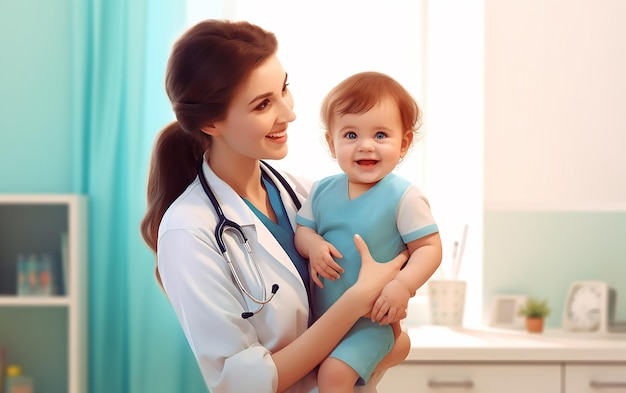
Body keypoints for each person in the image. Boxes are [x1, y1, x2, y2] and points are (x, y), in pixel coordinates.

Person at [140, 20, 411, 393]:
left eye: (284, 89)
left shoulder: (310, 195)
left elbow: (392, 338)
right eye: (263, 104)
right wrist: (357, 303)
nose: (288, 113)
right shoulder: (189, 232)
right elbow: (242, 384)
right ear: (211, 122)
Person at [294, 72, 443, 392]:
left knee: (333, 376)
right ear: (331, 143)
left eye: (380, 135)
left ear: (403, 144)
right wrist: (315, 246)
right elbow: (302, 233)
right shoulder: (321, 191)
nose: (365, 146)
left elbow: (429, 248)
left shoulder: (404, 196)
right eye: (350, 135)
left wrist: (402, 285)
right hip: (326, 322)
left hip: (372, 322)